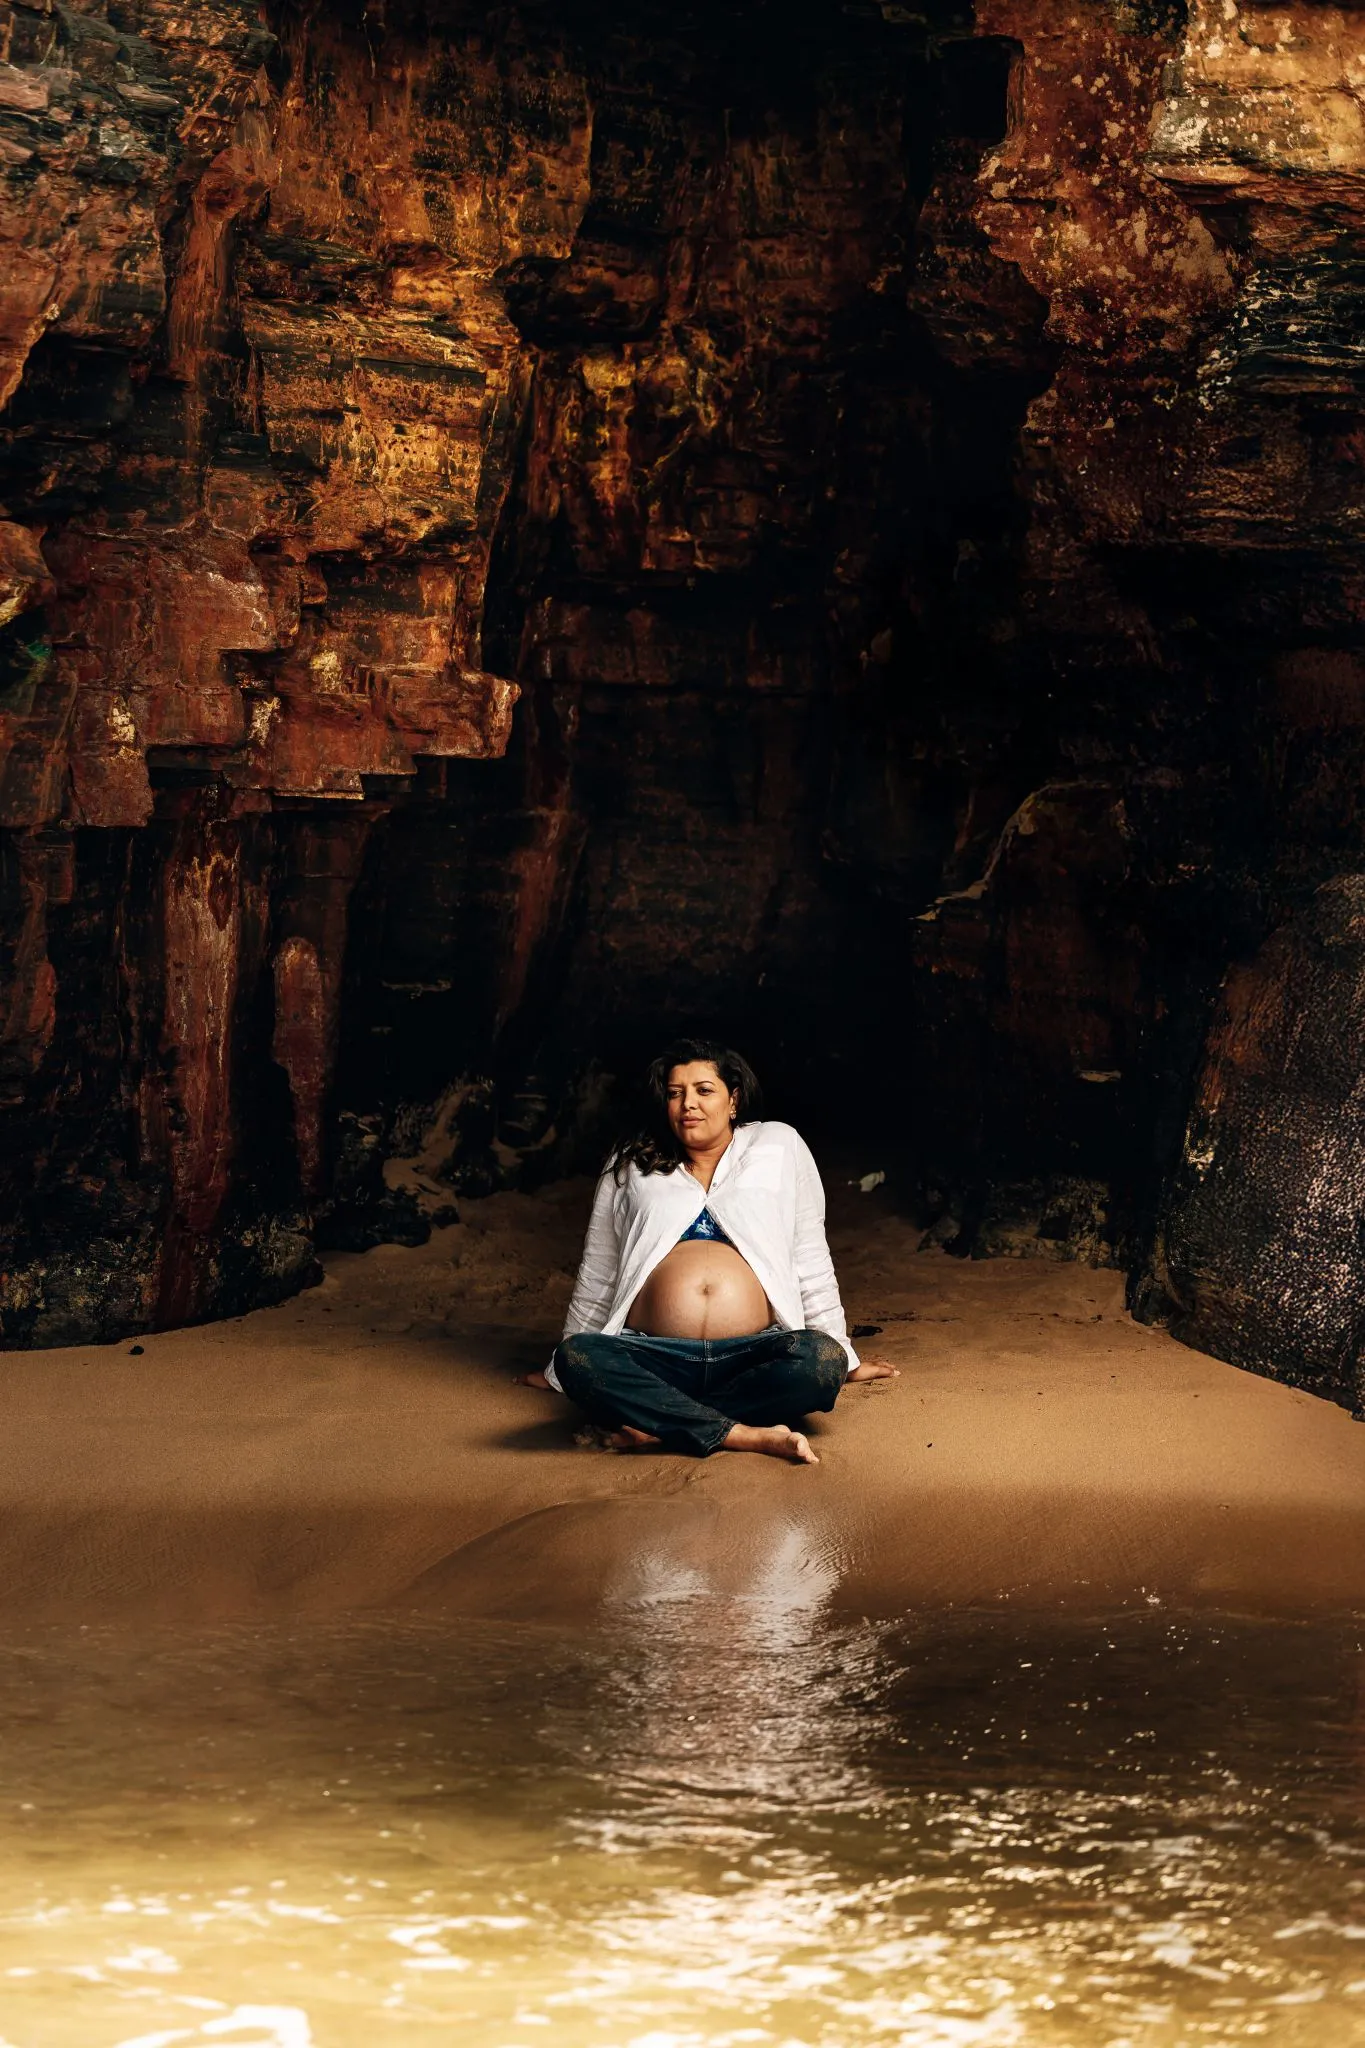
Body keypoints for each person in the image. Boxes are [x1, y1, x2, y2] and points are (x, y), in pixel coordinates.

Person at [516, 1038, 898, 1464]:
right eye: (675, 1093)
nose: (687, 1104)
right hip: (654, 1354)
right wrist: (559, 1369)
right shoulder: (631, 1162)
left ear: (733, 1099)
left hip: (752, 1352)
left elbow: (809, 1255)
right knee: (579, 1357)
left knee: (820, 1361)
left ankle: (661, 1424)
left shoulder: (779, 1146)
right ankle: (743, 1433)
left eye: (703, 1090)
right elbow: (600, 1267)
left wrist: (844, 1357)